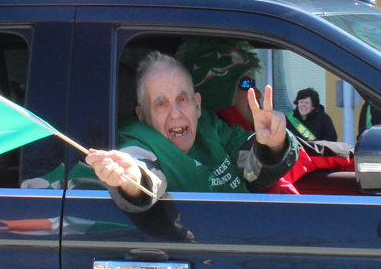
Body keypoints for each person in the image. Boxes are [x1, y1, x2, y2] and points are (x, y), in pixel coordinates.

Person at [86, 51, 299, 212]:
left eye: (182, 99)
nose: (176, 113)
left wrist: (274, 143)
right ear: (142, 115)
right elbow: (144, 173)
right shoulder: (136, 138)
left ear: (197, 104)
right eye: (161, 104)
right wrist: (132, 181)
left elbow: (254, 167)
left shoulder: (209, 125)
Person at [175, 38, 354, 195]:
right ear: (218, 92)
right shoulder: (209, 135)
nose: (259, 94)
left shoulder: (239, 136)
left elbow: (308, 154)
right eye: (247, 83)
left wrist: (275, 146)